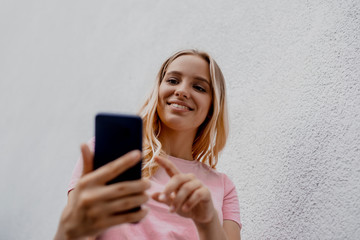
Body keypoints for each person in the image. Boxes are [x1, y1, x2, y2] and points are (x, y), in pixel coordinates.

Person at [55, 49, 241, 240]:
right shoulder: (108, 155)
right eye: (173, 80)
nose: (182, 91)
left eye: (199, 88)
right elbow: (74, 233)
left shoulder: (223, 187)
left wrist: (207, 223)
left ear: (212, 107)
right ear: (158, 90)